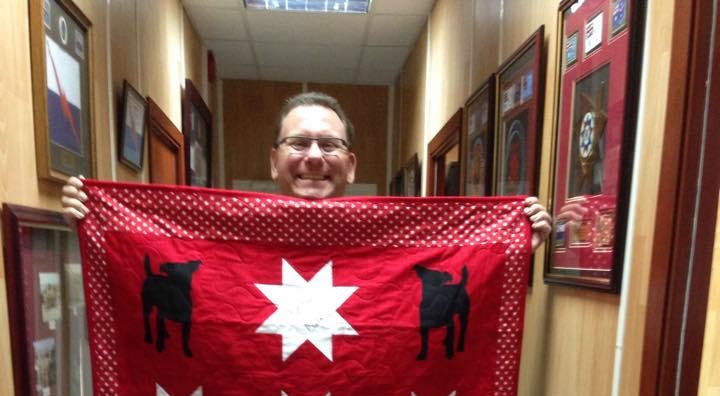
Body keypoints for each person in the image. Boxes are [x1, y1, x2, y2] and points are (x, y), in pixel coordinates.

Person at [62, 90, 551, 249]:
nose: (314, 156)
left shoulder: (397, 242)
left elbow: (459, 299)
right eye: (298, 143)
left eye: (330, 145)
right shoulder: (221, 237)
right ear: (274, 160)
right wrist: (93, 226)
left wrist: (513, 244)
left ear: (351, 165)